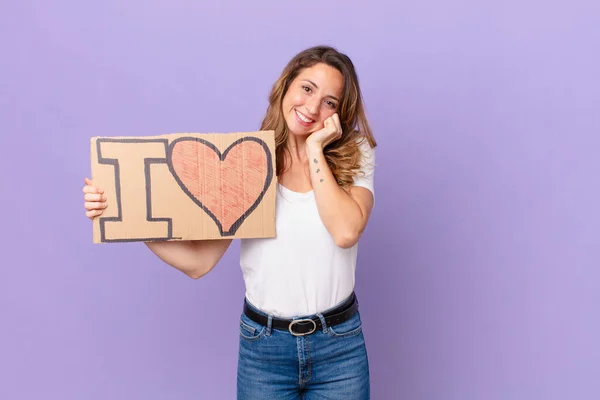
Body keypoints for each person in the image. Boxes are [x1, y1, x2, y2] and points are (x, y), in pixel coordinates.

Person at [83, 45, 376, 399]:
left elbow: (345, 232)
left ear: (339, 112)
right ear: (285, 87)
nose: (313, 108)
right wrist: (129, 217)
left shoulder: (355, 153)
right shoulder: (249, 161)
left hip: (338, 347)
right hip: (264, 349)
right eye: (307, 88)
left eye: (330, 101)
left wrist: (314, 150)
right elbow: (198, 262)